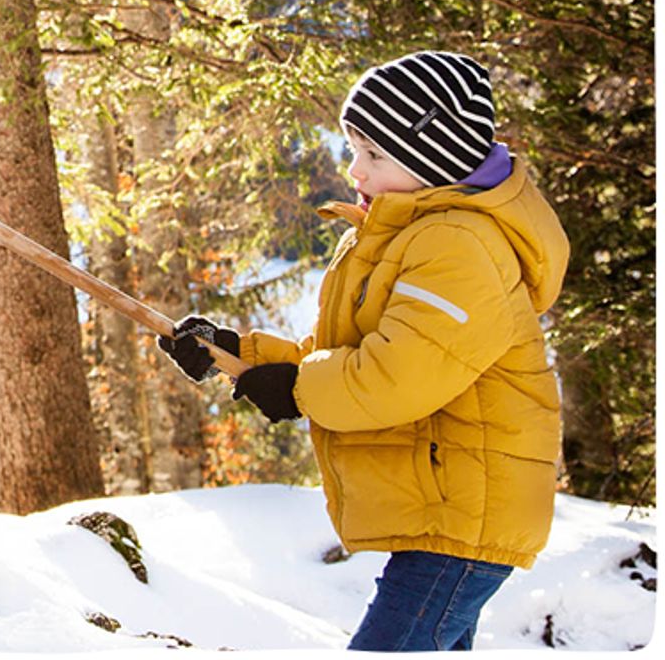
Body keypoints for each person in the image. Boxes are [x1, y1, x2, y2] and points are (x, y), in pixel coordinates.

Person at [159, 51, 569, 651]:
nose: (356, 170)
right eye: (354, 148)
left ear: (438, 161)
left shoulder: (460, 247)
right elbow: (347, 352)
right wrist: (236, 351)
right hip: (444, 505)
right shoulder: (406, 232)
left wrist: (295, 388)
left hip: (462, 511)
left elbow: (391, 378)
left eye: (375, 155)